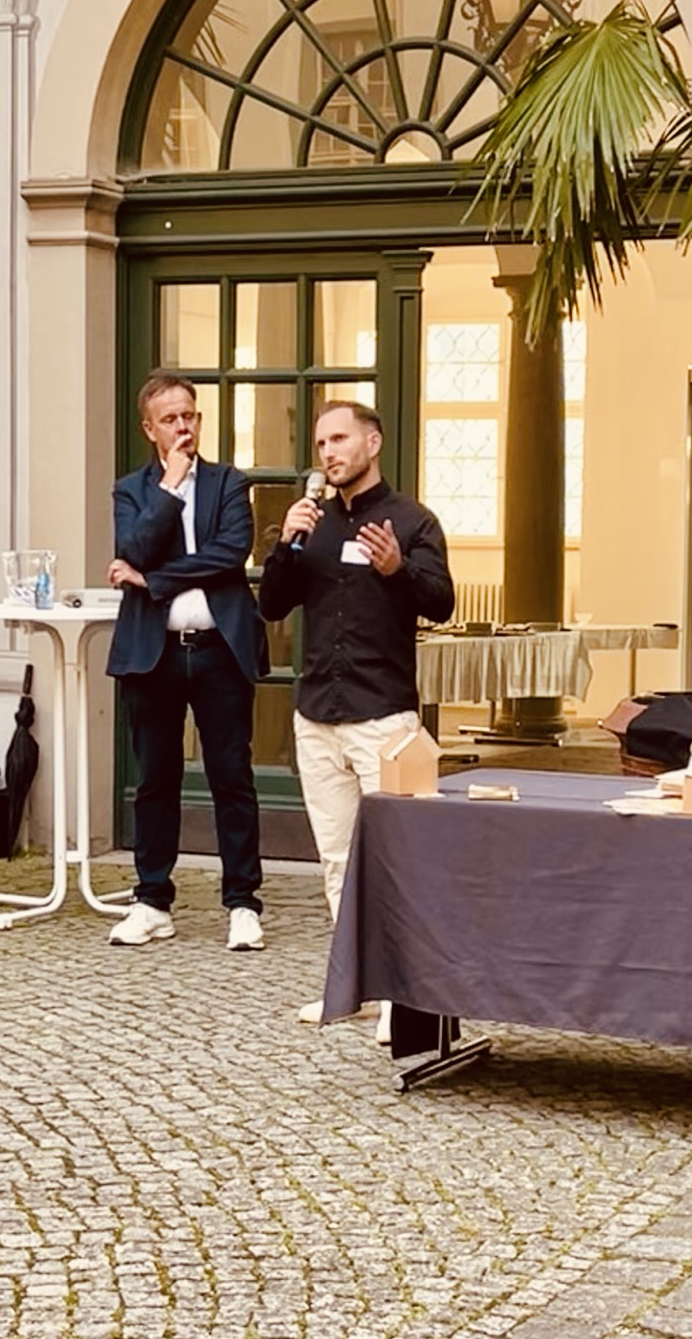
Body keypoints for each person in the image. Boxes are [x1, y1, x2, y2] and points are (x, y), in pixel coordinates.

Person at [258, 400, 455, 1034]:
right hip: (318, 715)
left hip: (383, 717)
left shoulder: (412, 521)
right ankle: (353, 987)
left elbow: (442, 602)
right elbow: (271, 605)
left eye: (340, 439)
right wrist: (286, 541)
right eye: (321, 444)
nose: (329, 453)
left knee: (396, 858)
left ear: (373, 442)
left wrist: (397, 569)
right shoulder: (308, 523)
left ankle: (404, 997)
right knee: (340, 859)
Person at [105, 372, 267, 950]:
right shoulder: (132, 490)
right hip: (155, 655)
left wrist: (153, 581)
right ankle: (152, 900)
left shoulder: (229, 482)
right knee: (156, 780)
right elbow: (133, 549)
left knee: (232, 776)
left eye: (191, 416)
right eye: (171, 419)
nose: (184, 427)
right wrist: (170, 490)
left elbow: (230, 555)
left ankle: (243, 903)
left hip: (220, 649)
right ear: (150, 428)